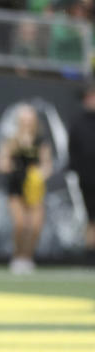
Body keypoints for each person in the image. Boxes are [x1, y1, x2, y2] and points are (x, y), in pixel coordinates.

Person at [0, 103, 52, 274]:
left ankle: (28, 257)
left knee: (35, 226)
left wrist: (38, 176)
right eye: (24, 119)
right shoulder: (11, 139)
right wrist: (8, 165)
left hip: (34, 189)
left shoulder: (41, 141)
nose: (27, 123)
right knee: (20, 224)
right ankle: (17, 256)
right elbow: (2, 163)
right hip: (16, 186)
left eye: (30, 119)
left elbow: (47, 164)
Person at [68, 82, 95, 264]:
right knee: (91, 216)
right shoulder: (78, 123)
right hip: (88, 179)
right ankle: (90, 254)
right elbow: (74, 152)